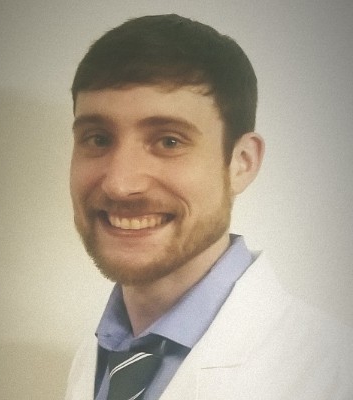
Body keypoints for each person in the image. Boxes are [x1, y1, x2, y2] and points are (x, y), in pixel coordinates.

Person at [65, 14, 353, 400]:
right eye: (98, 139)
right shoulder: (99, 355)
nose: (120, 183)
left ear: (241, 163)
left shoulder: (337, 374)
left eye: (169, 141)